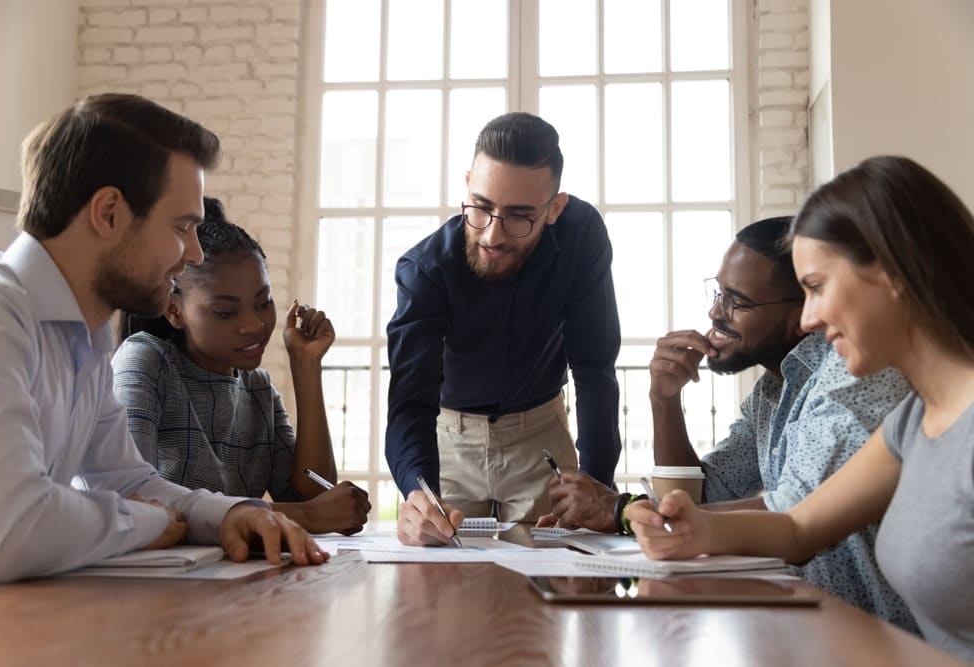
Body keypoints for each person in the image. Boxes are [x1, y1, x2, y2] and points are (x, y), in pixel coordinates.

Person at [629, 156, 974, 661]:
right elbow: (799, 526)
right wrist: (695, 529)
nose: (808, 319)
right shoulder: (914, 421)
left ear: (892, 274)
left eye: (816, 288)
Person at [0, 94, 327, 583]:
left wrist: (226, 514)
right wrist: (149, 520)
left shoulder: (84, 333)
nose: (195, 254)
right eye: (183, 226)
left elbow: (125, 478)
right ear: (110, 213)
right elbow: (6, 533)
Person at [541, 216, 915, 629]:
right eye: (718, 292)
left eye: (737, 301)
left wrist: (622, 511)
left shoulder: (853, 377)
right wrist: (664, 399)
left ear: (803, 312)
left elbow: (796, 513)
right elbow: (702, 497)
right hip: (812, 625)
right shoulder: (770, 393)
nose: (715, 312)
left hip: (877, 633)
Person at [388, 111, 621, 545]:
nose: (493, 235)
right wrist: (417, 493)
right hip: (449, 439)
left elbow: (594, 366)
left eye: (519, 216)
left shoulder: (581, 236)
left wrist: (595, 482)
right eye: (482, 206)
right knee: (443, 583)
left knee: (558, 578)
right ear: (468, 184)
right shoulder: (424, 269)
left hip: (541, 437)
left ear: (555, 208)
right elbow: (410, 401)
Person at [113, 197, 371, 536]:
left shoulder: (257, 388)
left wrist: (305, 365)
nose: (253, 325)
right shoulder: (146, 362)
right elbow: (134, 502)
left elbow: (316, 495)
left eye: (264, 303)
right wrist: (303, 517)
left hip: (233, 581)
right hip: (155, 584)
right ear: (174, 311)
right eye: (225, 312)